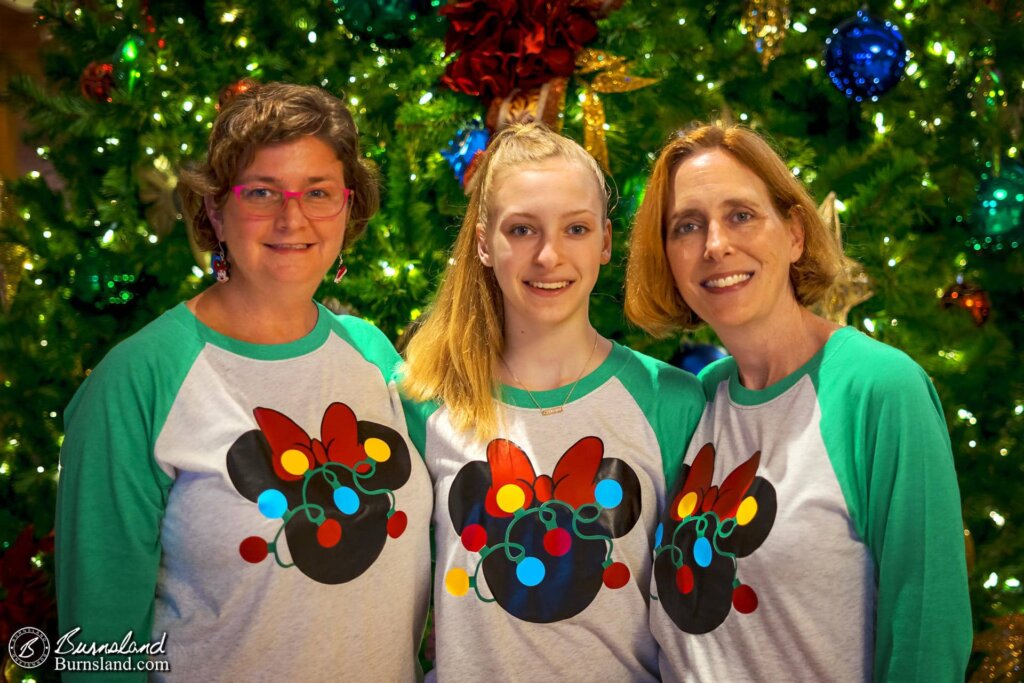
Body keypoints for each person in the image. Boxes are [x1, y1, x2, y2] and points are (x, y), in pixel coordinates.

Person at [56, 82, 432, 680]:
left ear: (348, 205)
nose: (292, 218)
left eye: (318, 192)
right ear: (214, 209)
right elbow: (95, 649)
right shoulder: (138, 380)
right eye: (261, 192)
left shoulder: (371, 353)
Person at [624, 121, 972, 682]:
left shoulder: (879, 389)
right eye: (687, 226)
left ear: (795, 234)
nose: (715, 245)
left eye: (741, 215)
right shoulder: (698, 399)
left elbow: (927, 632)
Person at [400, 123, 705, 681]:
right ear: (484, 243)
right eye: (521, 230)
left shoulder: (672, 402)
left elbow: (697, 612)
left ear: (606, 242)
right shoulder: (424, 404)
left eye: (576, 228)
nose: (549, 255)